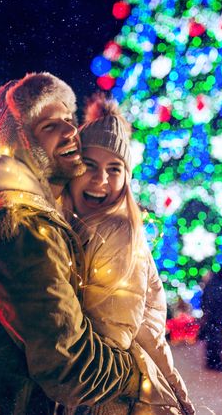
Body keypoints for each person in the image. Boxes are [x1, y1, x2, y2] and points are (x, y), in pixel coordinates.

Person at [0, 73, 141, 414]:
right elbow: (71, 368)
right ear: (21, 142)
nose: (69, 132)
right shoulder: (21, 230)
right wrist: (136, 373)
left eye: (68, 119)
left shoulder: (15, 212)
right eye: (49, 126)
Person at [63, 94, 194, 414]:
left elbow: (110, 341)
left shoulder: (118, 234)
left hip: (112, 401)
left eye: (114, 169)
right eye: (89, 165)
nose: (101, 179)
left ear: (126, 180)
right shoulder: (73, 228)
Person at [199, 268, 222, 372]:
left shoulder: (210, 285)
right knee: (216, 341)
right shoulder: (221, 286)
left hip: (211, 318)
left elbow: (204, 301)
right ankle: (216, 362)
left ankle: (211, 362)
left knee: (211, 340)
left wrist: (206, 313)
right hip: (217, 318)